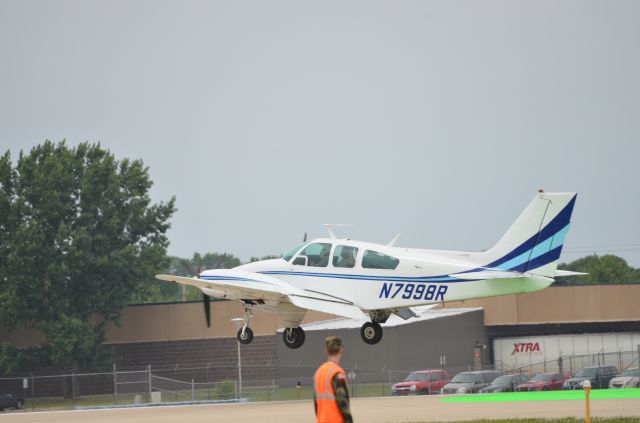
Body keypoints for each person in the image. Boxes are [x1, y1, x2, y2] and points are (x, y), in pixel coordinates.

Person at [313, 336, 353, 423]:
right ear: (341, 349)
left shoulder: (318, 373)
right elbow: (342, 403)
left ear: (326, 351)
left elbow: (316, 404)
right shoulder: (336, 373)